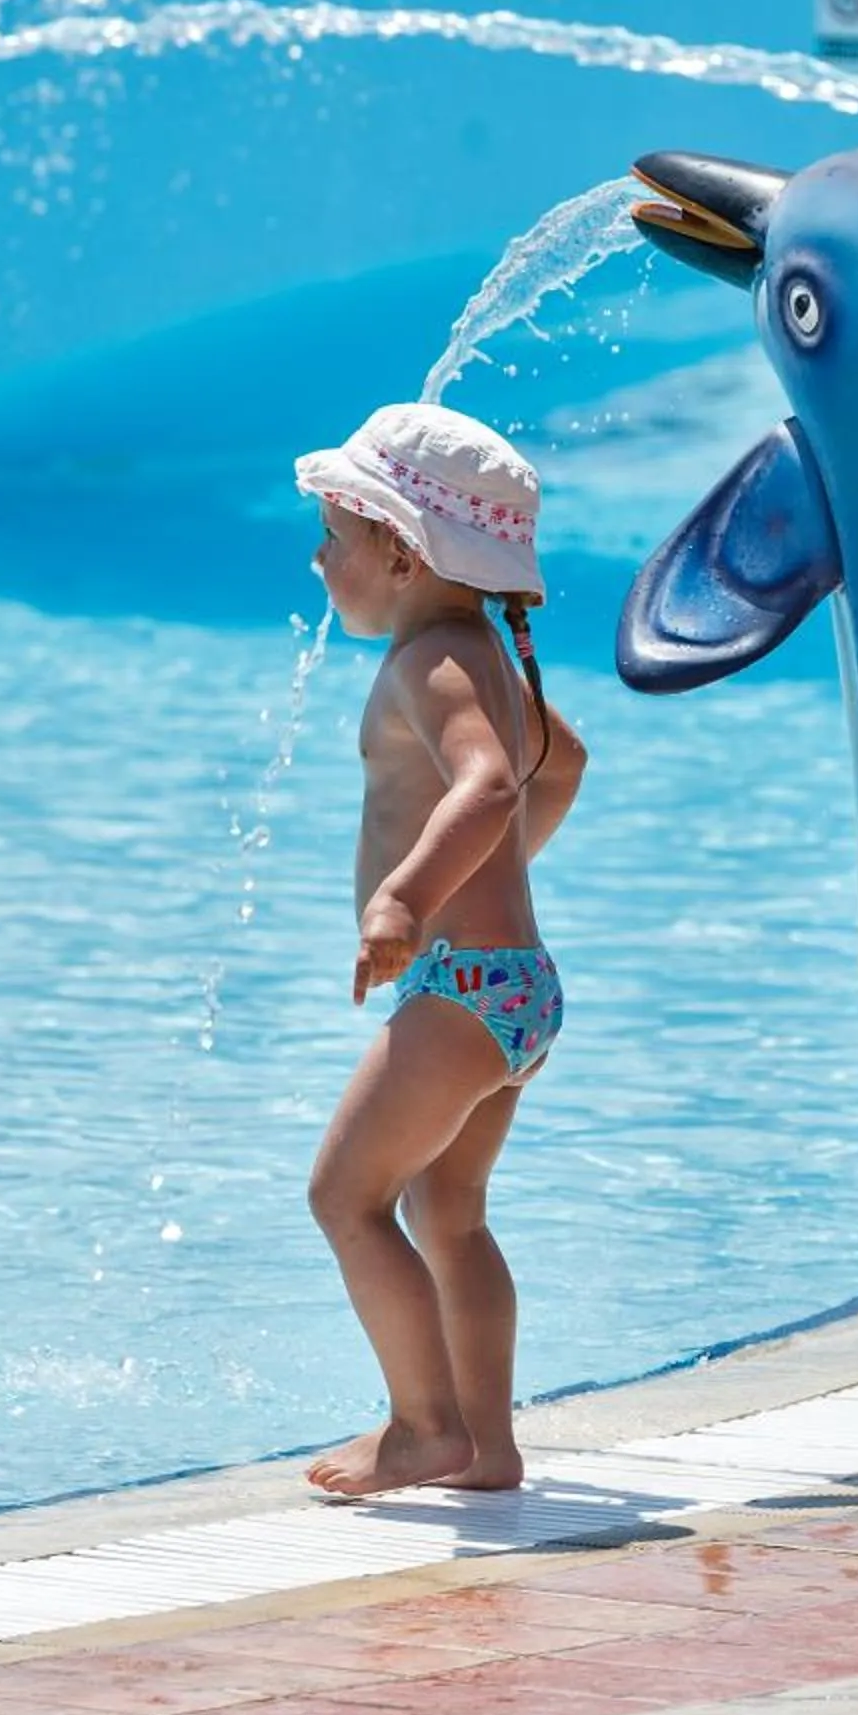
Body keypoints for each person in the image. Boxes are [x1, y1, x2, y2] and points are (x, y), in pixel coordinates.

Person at [295, 402, 586, 1500]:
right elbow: (556, 767)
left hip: (460, 990)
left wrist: (410, 900)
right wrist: (493, 878)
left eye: (334, 535)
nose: (319, 558)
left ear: (399, 551)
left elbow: (488, 783)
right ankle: (488, 1446)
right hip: (511, 991)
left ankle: (422, 1427)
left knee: (345, 1198)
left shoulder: (436, 659)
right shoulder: (482, 657)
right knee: (446, 1210)